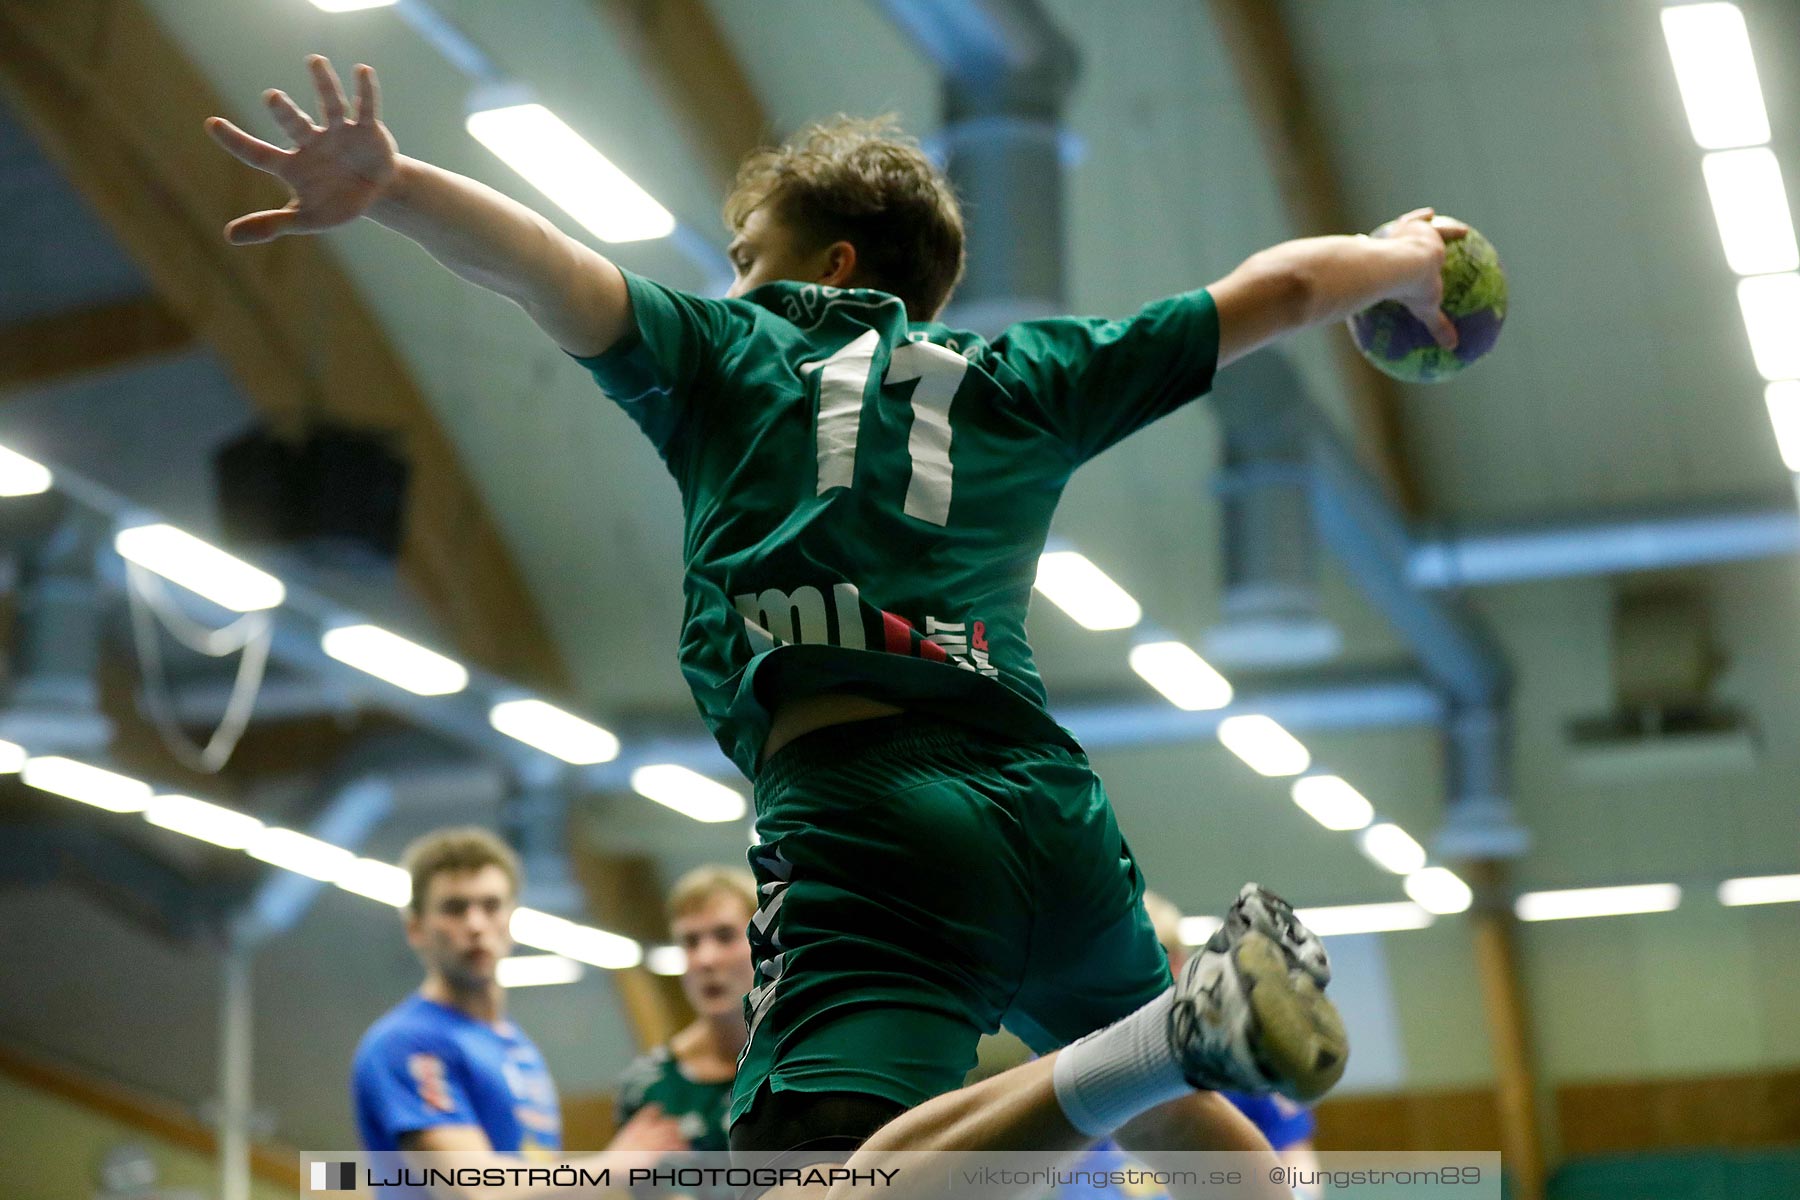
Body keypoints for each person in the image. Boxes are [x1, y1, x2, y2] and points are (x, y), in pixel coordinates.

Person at [213, 56, 1466, 1198]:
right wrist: (1404, 256)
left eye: (748, 251)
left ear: (833, 269)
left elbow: (546, 264)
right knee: (1188, 1141)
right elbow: (1281, 289)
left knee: (821, 1189)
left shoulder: (724, 352)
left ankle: (1160, 1040)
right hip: (1046, 804)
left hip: (865, 818)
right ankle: (1159, 1048)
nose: (732, 275)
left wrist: (394, 187)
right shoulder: (1023, 378)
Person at [351, 827, 684, 1181]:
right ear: (415, 928)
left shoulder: (516, 1044)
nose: (476, 924)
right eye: (454, 908)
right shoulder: (408, 1042)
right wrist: (610, 1166)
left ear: (511, 919)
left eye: (491, 905)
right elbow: (476, 1187)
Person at [614, 866, 758, 1153]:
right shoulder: (649, 1086)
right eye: (690, 942)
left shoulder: (803, 1062)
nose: (705, 959)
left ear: (763, 943)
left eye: (725, 936)